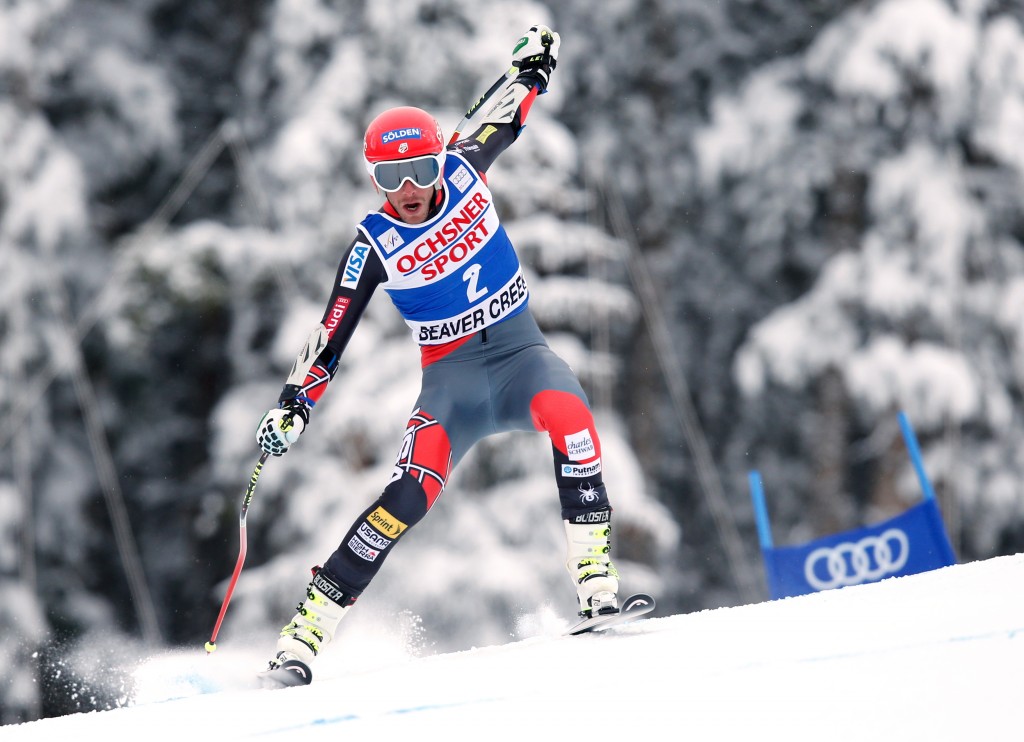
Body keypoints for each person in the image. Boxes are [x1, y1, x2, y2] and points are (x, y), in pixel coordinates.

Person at [255, 25, 621, 687]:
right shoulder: (373, 243)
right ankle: (304, 633)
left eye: (419, 170)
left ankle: (595, 580)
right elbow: (331, 334)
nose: (410, 189)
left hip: (519, 358)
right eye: (390, 178)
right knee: (406, 496)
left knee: (572, 417)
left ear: (436, 163)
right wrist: (294, 407)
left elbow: (510, 110)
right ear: (373, 181)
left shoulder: (463, 165)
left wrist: (536, 64)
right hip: (453, 387)